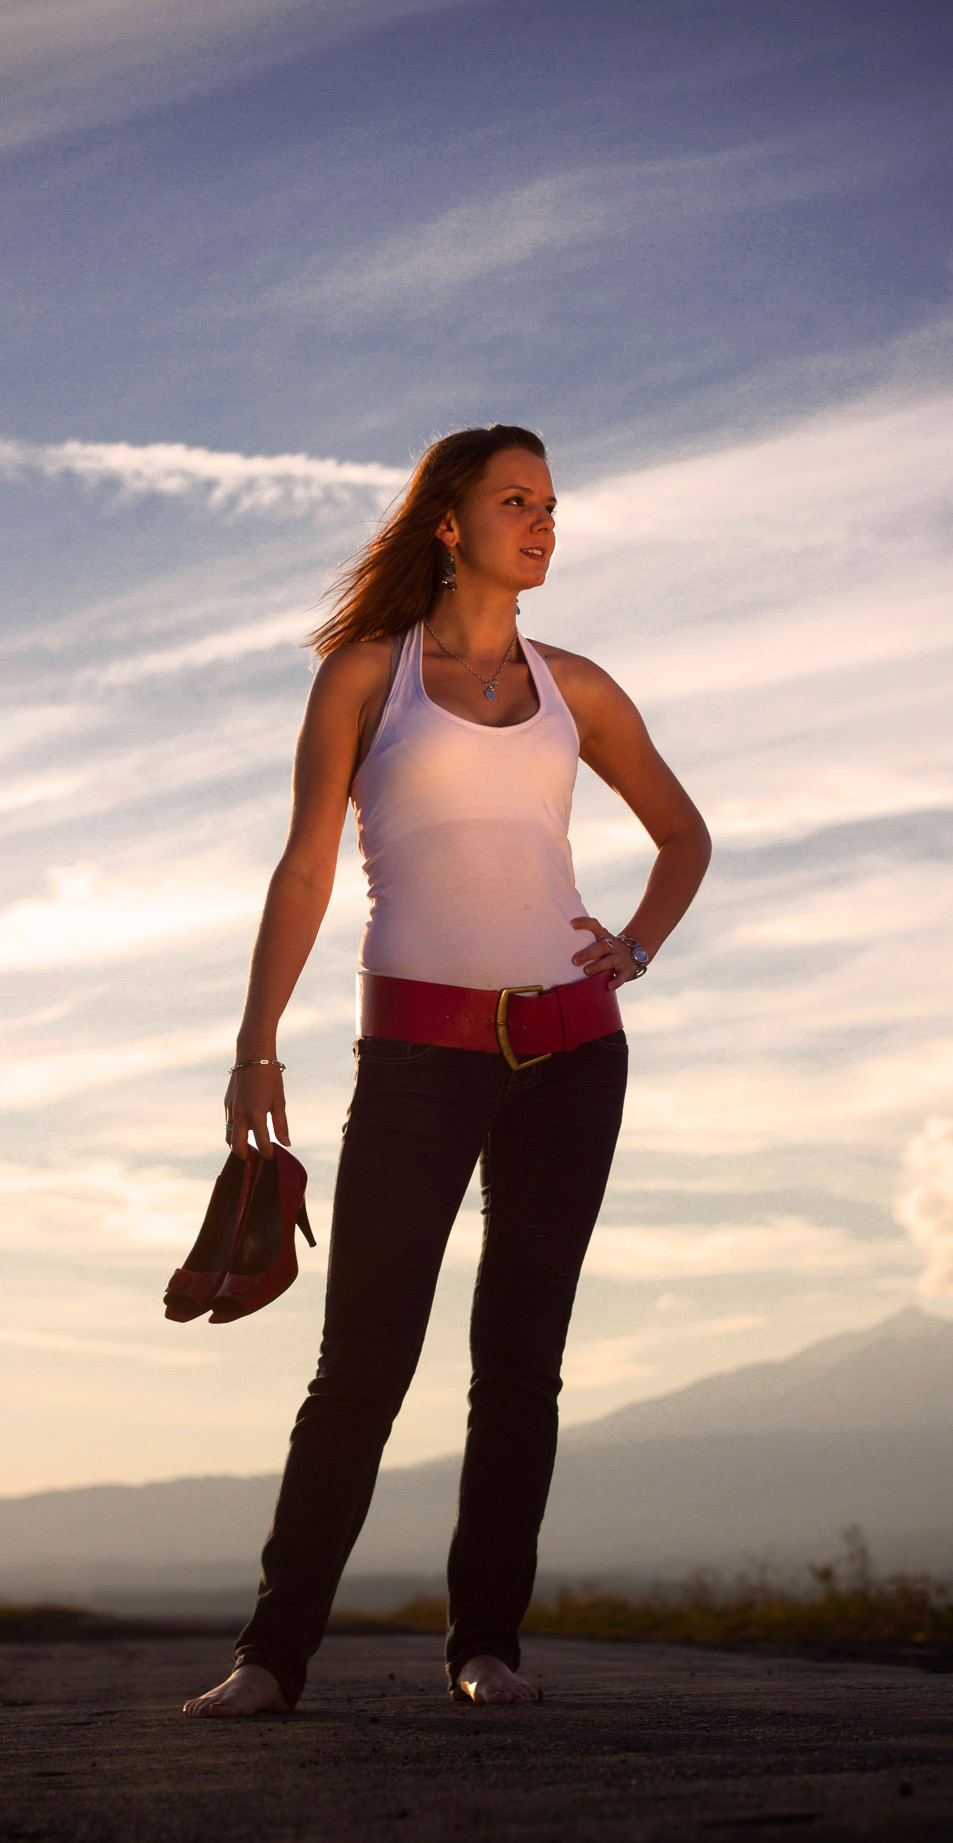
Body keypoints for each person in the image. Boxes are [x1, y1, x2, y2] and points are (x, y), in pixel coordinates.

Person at [184, 424, 710, 1716]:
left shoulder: (577, 688)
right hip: (416, 1055)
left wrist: (632, 945)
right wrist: (256, 1043)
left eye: (551, 504)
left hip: (574, 1055)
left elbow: (686, 835)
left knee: (520, 1359)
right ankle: (270, 1658)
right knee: (363, 1360)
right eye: (515, 500)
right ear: (449, 523)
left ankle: (488, 1648)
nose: (542, 522)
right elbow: (307, 867)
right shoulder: (366, 677)